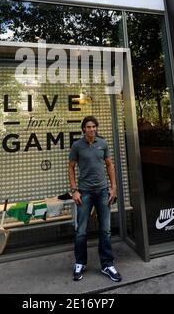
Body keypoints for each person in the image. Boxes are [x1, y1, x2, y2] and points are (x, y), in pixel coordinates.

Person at [68, 115, 122, 282]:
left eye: (94, 127)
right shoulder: (77, 145)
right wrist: (74, 190)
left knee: (105, 230)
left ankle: (107, 264)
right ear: (83, 128)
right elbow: (70, 168)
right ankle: (80, 263)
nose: (91, 129)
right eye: (88, 127)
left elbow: (109, 165)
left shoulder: (103, 144)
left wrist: (113, 188)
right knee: (81, 231)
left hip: (102, 191)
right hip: (84, 192)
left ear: (96, 128)